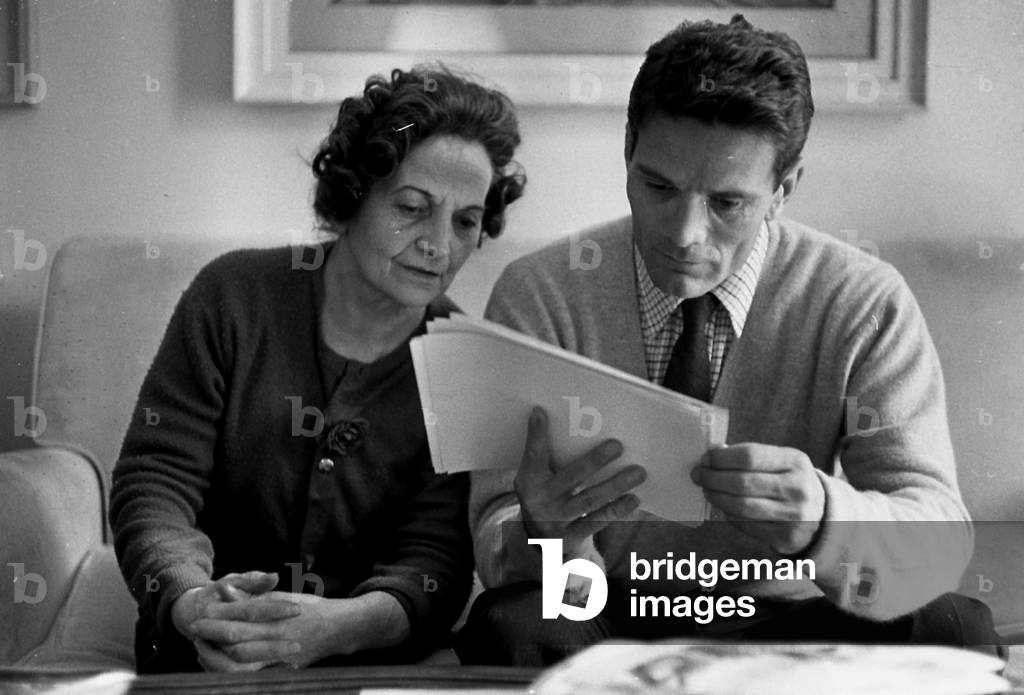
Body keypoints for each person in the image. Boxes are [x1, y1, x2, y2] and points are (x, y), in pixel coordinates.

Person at [458, 16, 1003, 666]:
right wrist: (544, 535)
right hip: (603, 604)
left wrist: (824, 518)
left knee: (954, 622)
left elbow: (941, 533)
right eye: (658, 187)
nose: (685, 233)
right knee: (514, 622)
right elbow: (494, 529)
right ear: (628, 149)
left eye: (728, 203)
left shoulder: (861, 299)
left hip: (792, 610)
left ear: (785, 188)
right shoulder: (540, 293)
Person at [110, 65, 525, 673]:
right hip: (194, 658)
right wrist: (191, 600)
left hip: (363, 667)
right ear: (354, 195)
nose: (440, 244)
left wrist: (338, 629)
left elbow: (433, 563)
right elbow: (156, 482)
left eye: (465, 220)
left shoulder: (461, 365)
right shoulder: (233, 297)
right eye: (413, 207)